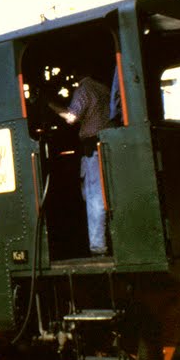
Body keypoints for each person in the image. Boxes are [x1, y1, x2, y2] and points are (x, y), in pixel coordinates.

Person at [49, 74, 112, 256]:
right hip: (106, 145)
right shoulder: (103, 88)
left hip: (93, 148)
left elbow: (71, 117)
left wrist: (51, 105)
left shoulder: (84, 90)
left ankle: (98, 246)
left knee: (94, 197)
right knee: (104, 194)